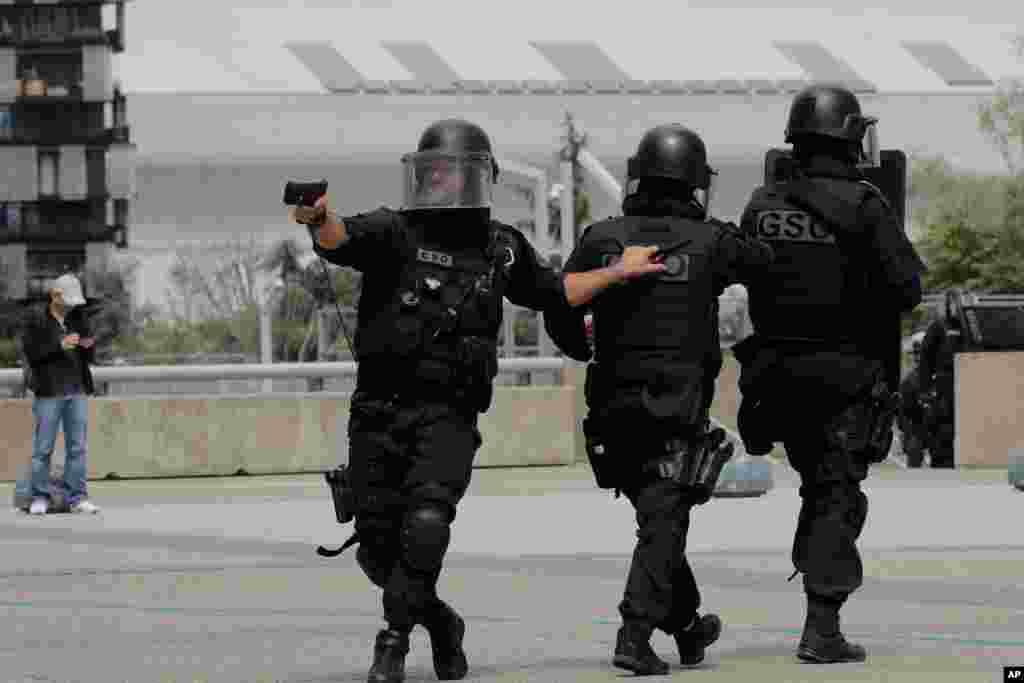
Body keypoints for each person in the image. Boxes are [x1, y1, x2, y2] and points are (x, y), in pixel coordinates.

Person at [290, 118, 666, 683]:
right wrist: (318, 217)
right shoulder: (395, 232)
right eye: (439, 173)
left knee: (426, 522)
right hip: (377, 411)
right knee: (377, 551)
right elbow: (339, 237)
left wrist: (619, 271)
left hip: (449, 414)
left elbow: (558, 291)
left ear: (481, 179)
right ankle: (441, 624)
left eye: (460, 174)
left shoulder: (500, 247)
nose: (449, 185)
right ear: (422, 177)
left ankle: (392, 645)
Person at [543, 124, 774, 675]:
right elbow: (765, 263)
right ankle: (635, 634)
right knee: (664, 520)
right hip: (674, 406)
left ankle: (690, 627)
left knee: (658, 516)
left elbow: (560, 304)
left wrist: (582, 346)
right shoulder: (710, 242)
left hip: (613, 411)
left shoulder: (604, 238)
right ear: (694, 184)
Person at [733, 85, 925, 663]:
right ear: (849, 138)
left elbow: (747, 275)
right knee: (838, 496)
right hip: (842, 374)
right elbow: (907, 290)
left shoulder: (761, 204)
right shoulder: (865, 206)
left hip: (776, 378)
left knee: (820, 489)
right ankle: (822, 628)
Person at [21, 273, 101, 515]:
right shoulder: (36, 319)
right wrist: (59, 346)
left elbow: (89, 354)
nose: (72, 306)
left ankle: (77, 497)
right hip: (49, 391)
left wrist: (88, 346)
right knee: (43, 448)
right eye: (68, 301)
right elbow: (32, 354)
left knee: (77, 447)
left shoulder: (79, 317)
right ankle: (39, 497)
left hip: (77, 388)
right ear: (55, 296)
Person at [917, 291, 964, 468]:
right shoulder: (938, 327)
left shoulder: (967, 326)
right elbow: (925, 359)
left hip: (965, 382)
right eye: (952, 303)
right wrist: (925, 389)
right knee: (943, 423)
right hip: (944, 382)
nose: (955, 306)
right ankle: (941, 461)